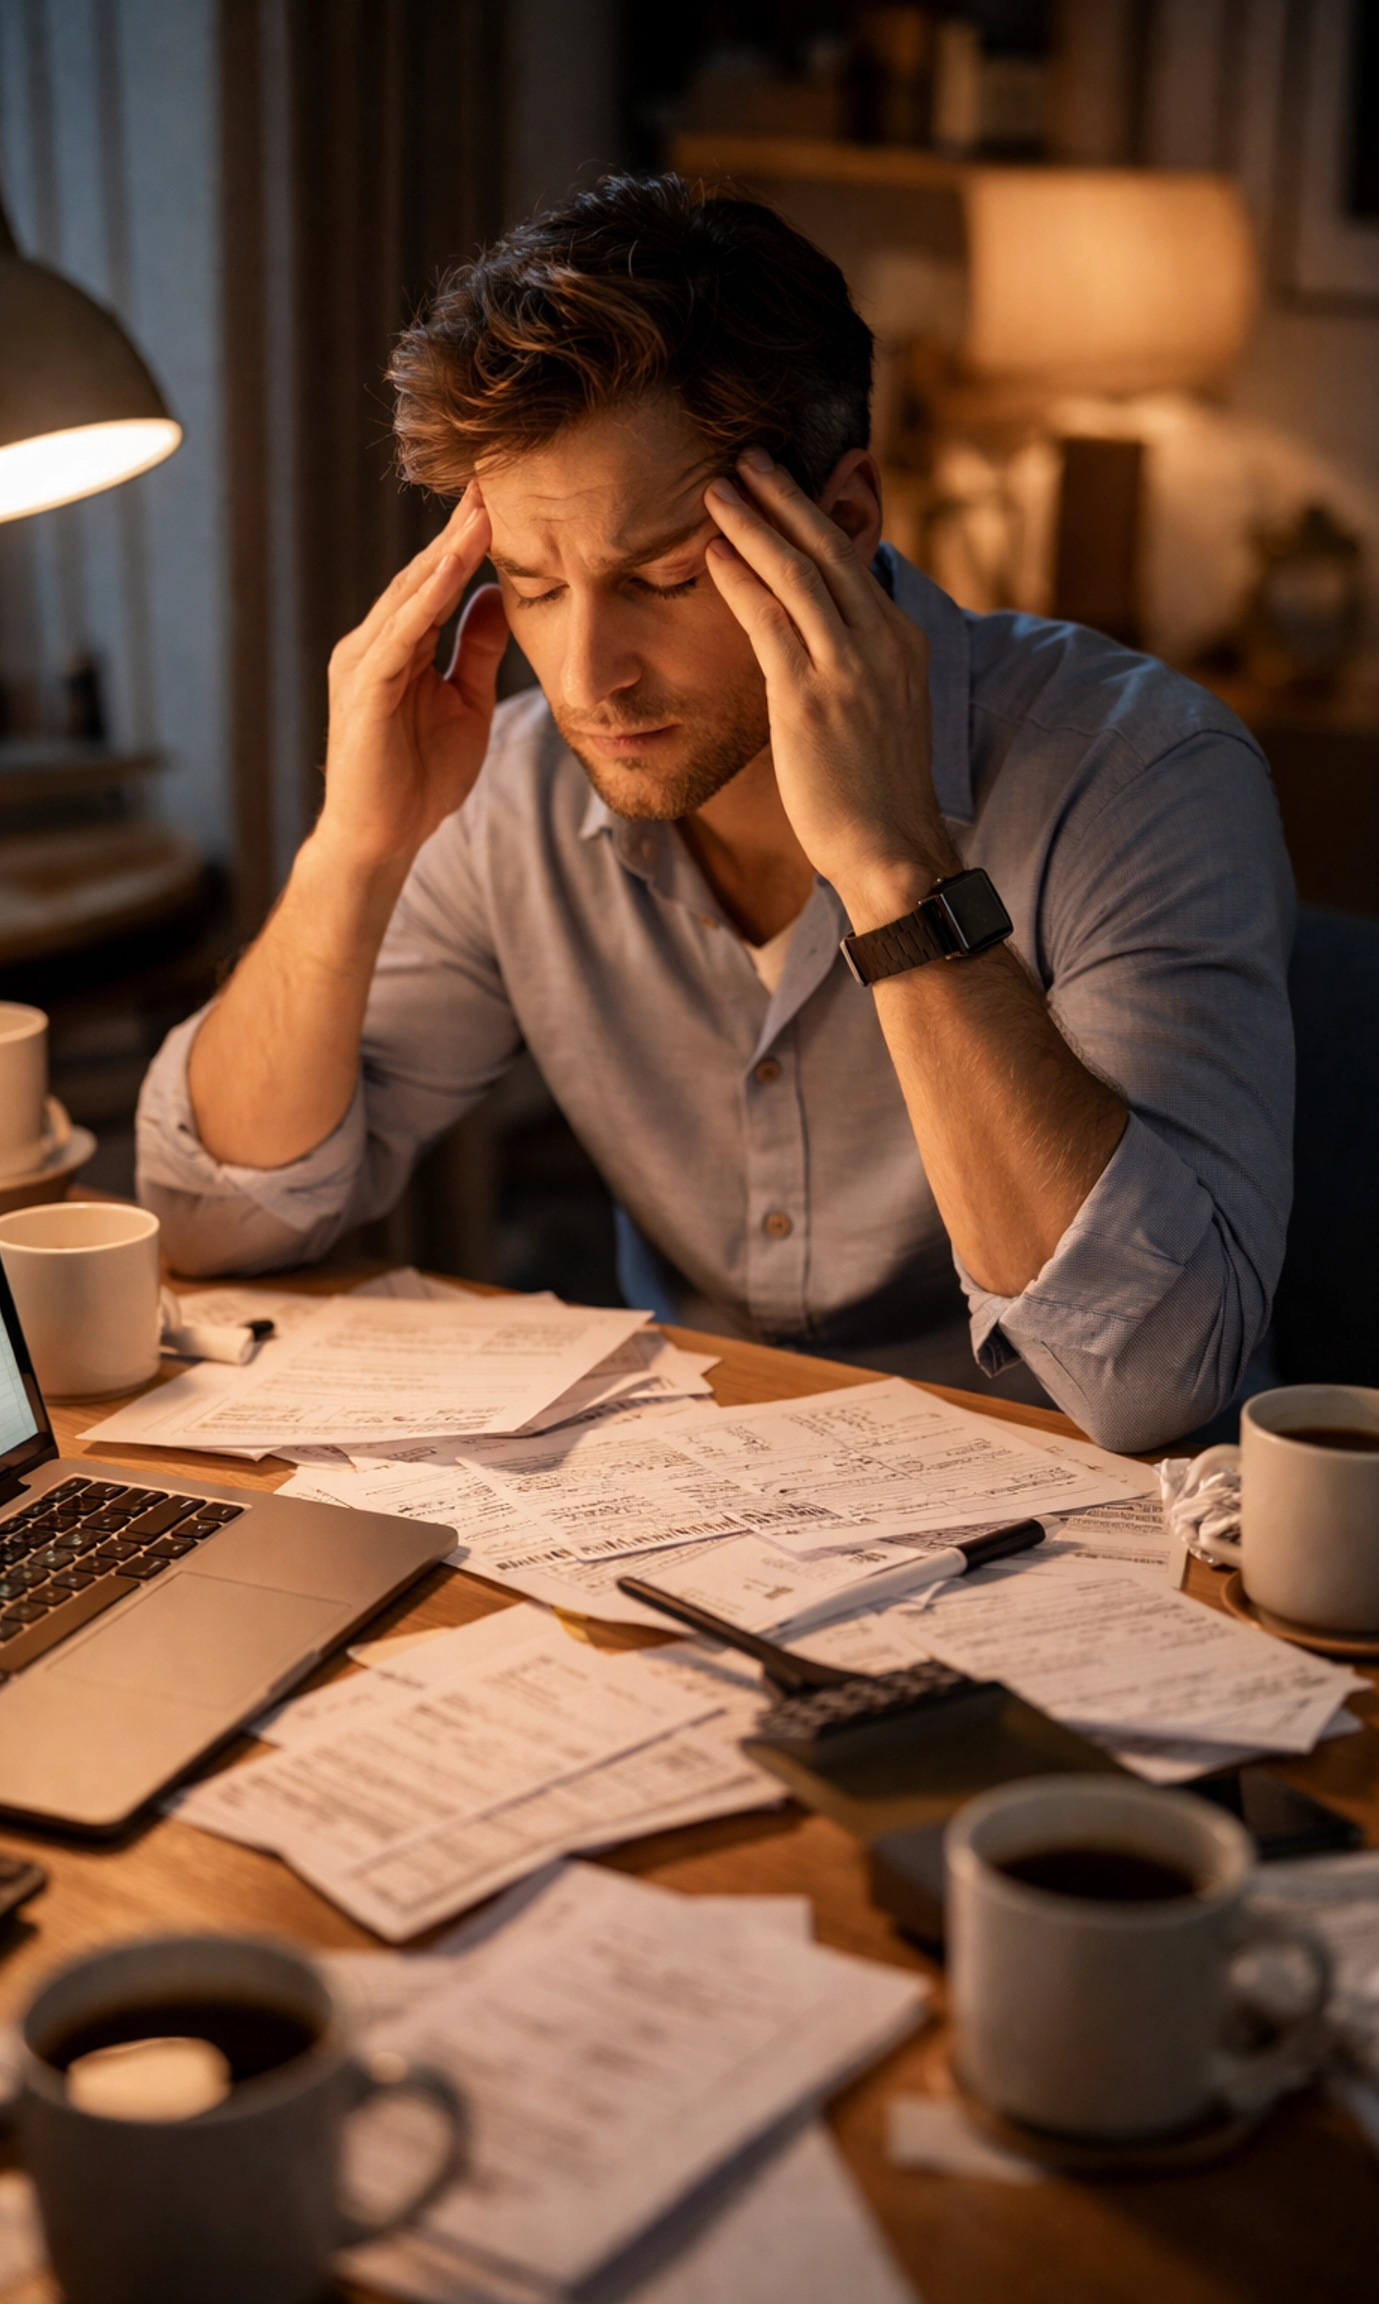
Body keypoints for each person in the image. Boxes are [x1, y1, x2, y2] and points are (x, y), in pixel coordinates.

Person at [136, 175, 1293, 1455]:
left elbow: (1158, 1382)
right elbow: (209, 1221)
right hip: (704, 1519)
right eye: (530, 587)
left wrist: (892, 866)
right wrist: (353, 851)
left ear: (843, 522)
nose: (584, 681)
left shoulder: (1139, 769)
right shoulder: (512, 787)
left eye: (664, 578)